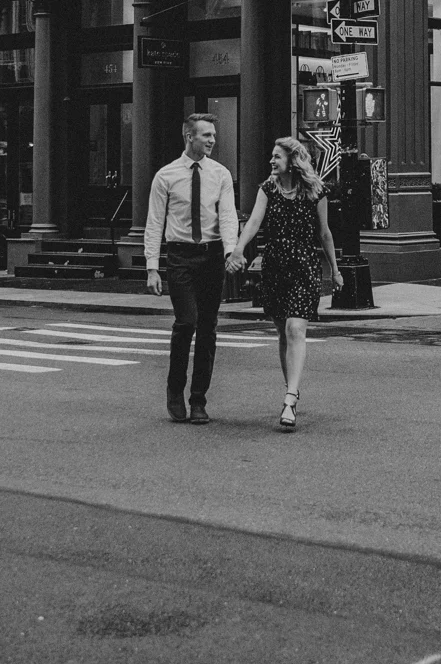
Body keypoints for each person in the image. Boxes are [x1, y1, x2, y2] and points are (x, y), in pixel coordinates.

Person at [235, 137, 340, 432]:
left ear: (292, 161)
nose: (271, 161)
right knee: (282, 331)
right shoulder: (268, 189)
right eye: (271, 156)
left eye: (276, 157)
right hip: (275, 267)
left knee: (296, 328)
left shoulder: (315, 191)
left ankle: (290, 399)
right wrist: (239, 248)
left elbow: (325, 233)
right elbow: (254, 222)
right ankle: (290, 386)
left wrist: (335, 269)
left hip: (304, 267)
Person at [143, 113, 240, 424]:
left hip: (212, 257)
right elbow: (155, 222)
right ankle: (175, 391)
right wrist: (152, 267)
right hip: (180, 256)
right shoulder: (166, 176)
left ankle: (198, 400)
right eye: (206, 135)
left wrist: (230, 251)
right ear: (189, 137)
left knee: (208, 329)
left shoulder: (221, 174)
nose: (212, 140)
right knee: (187, 322)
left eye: (213, 134)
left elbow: (227, 216)